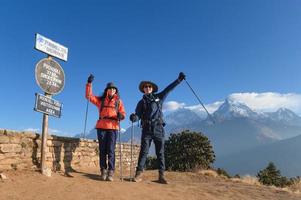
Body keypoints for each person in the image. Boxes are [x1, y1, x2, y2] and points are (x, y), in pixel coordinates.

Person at [129, 72, 186, 184]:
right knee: (144, 152)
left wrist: (178, 80)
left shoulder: (159, 97)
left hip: (159, 128)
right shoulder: (141, 103)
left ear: (152, 89)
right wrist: (134, 118)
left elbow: (169, 89)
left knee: (160, 152)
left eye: (149, 87)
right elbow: (138, 115)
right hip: (146, 129)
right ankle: (138, 174)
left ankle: (161, 176)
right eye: (145, 87)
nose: (147, 88)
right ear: (143, 89)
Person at [85, 74, 126, 181]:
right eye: (110, 88)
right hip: (102, 127)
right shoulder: (101, 100)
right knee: (102, 150)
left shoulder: (118, 102)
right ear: (107, 90)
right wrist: (89, 83)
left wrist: (120, 116)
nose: (112, 90)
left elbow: (123, 113)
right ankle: (103, 171)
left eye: (113, 89)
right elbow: (89, 96)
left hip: (113, 127)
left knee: (111, 150)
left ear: (116, 91)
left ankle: (110, 172)